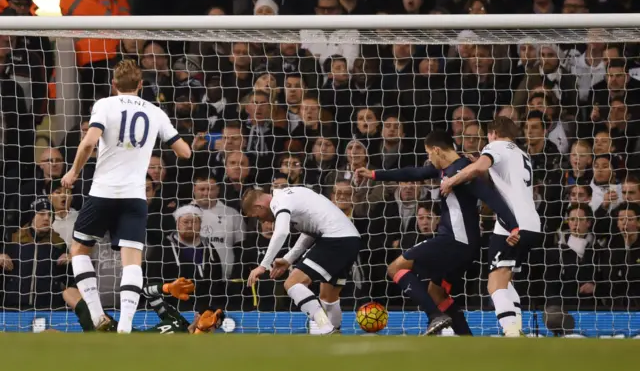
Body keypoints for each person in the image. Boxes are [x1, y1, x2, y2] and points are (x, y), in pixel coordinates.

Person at [60, 59, 191, 333]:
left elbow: (88, 142)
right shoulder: (155, 111)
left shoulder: (105, 105)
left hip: (103, 192)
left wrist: (73, 172)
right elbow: (185, 152)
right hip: (134, 197)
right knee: (132, 261)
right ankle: (126, 326)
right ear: (141, 85)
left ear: (113, 84)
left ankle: (98, 316)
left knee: (79, 250)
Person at [355, 131, 520, 336]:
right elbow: (412, 173)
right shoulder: (447, 170)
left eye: (429, 154)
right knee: (436, 293)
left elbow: (489, 196)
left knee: (395, 267)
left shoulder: (462, 171)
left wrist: (513, 225)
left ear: (437, 150)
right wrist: (374, 174)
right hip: (462, 245)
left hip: (454, 240)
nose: (429, 159)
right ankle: (467, 338)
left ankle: (434, 316)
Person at [440, 117, 543, 337]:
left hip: (512, 224)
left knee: (495, 283)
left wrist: (452, 180)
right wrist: (477, 162)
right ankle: (515, 328)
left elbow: (480, 168)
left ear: (494, 133)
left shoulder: (495, 146)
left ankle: (511, 331)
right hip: (531, 223)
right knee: (506, 279)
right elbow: (495, 177)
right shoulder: (521, 153)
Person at [242, 186, 362, 335]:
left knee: (292, 283)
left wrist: (263, 265)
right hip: (351, 240)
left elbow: (281, 232)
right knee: (328, 296)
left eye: (257, 216)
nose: (261, 220)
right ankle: (335, 332)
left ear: (258, 206)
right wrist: (288, 259)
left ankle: (326, 329)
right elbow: (309, 233)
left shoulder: (279, 201)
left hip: (335, 239)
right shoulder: (293, 195)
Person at [63, 278, 224, 334]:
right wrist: (166, 288)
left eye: (214, 325)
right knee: (70, 293)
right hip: (121, 337)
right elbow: (147, 292)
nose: (210, 326)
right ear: (197, 315)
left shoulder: (198, 349)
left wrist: (198, 334)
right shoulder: (176, 320)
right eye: (209, 317)